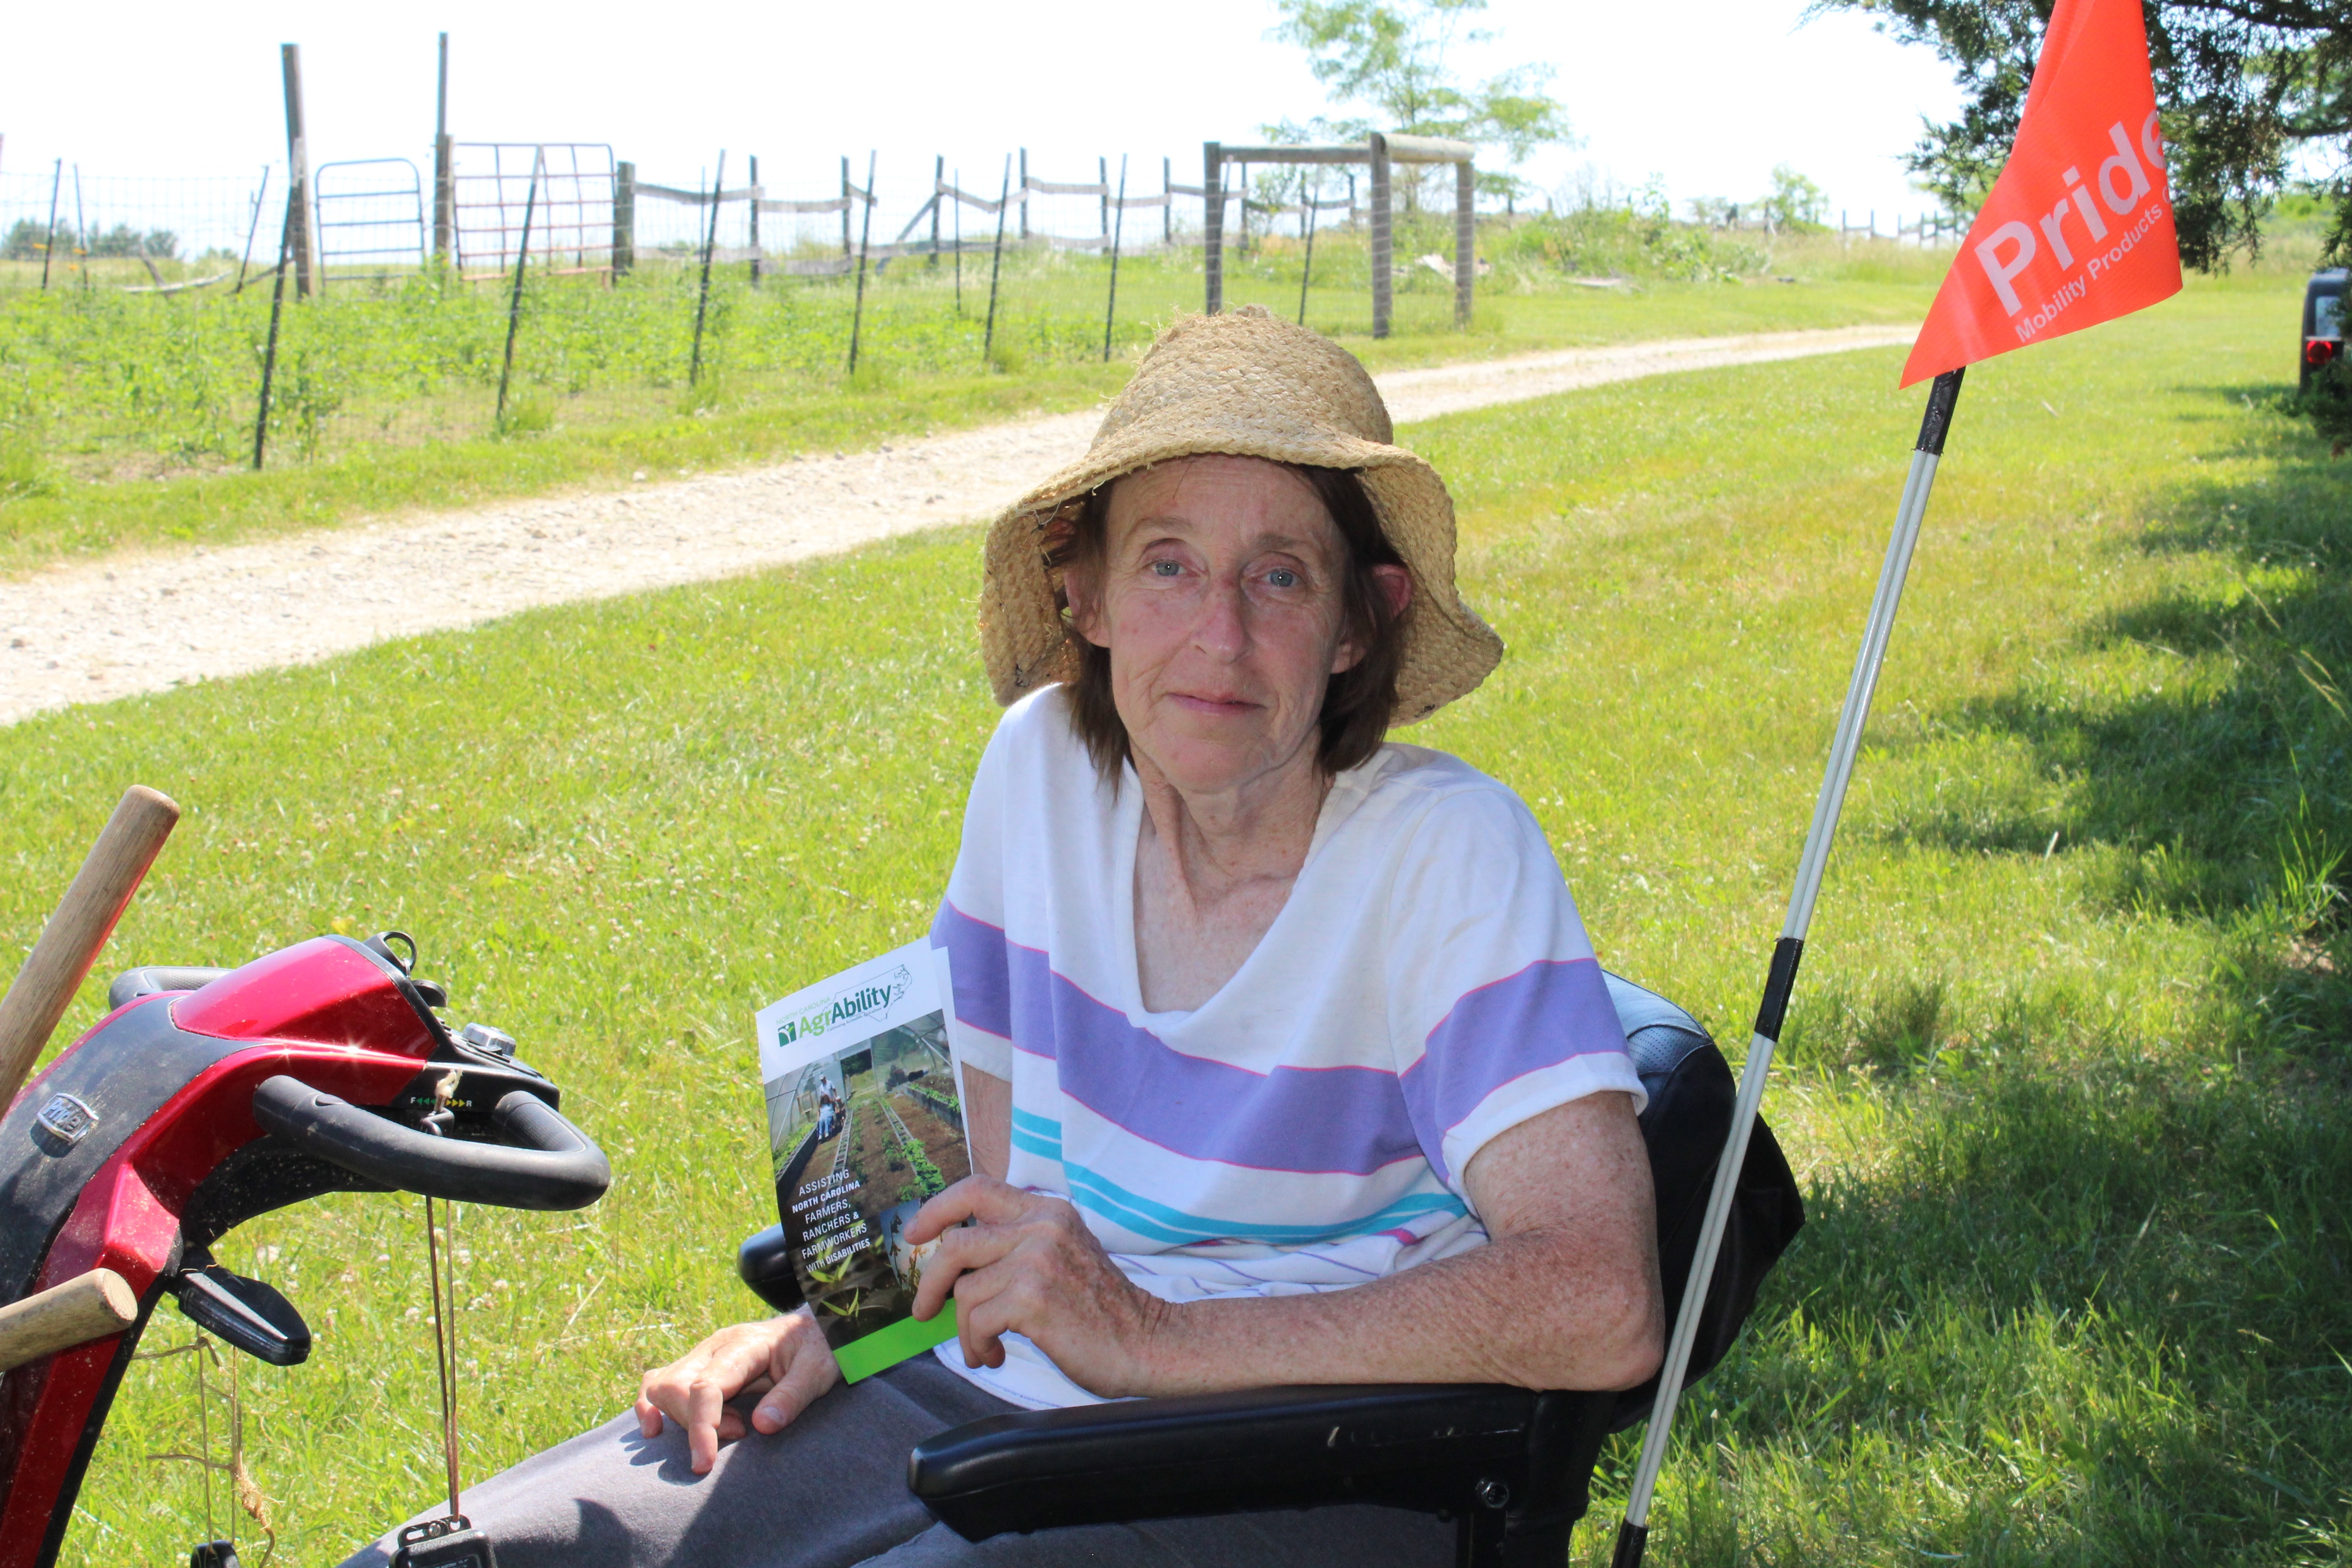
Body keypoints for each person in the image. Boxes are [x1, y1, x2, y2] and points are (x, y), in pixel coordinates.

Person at [341, 307, 1663, 1568]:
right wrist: (831, 1323)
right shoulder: (1041, 770)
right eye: (1167, 564)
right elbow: (941, 1147)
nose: (1221, 633)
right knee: (502, 1551)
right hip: (985, 1380)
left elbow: (1601, 1302)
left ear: (1355, 622)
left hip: (1305, 1465)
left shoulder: (1448, 856)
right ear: (1080, 595)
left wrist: (1143, 1338)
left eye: (1280, 573)